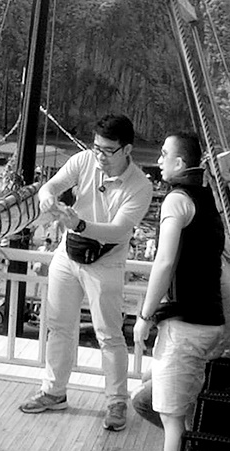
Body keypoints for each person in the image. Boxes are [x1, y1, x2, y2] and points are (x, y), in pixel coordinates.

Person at [15, 114, 147, 429]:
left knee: (109, 334)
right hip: (68, 253)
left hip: (106, 260)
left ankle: (116, 402)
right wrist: (48, 197)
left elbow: (119, 230)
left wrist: (80, 223)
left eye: (108, 150)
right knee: (59, 326)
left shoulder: (140, 185)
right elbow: (52, 185)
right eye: (97, 147)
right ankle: (53, 392)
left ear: (127, 149)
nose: (100, 155)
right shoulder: (84, 160)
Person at [125, 131, 229, 451]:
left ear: (181, 164)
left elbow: (164, 262)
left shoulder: (176, 200)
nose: (159, 160)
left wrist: (144, 316)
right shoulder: (208, 200)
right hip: (209, 325)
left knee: (172, 419)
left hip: (186, 329)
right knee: (164, 405)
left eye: (164, 155)